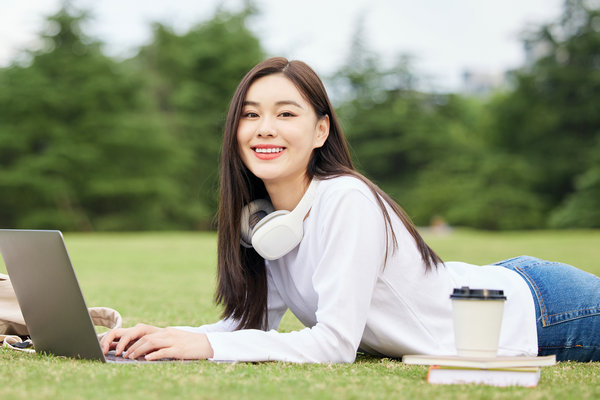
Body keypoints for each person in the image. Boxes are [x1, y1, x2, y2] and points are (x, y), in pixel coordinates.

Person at [101, 57, 600, 363]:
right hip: (496, 289)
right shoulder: (263, 218)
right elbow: (250, 328)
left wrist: (208, 348)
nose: (264, 128)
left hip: (541, 312)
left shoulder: (346, 199)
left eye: (286, 113)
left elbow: (333, 347)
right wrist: (166, 337)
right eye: (250, 114)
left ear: (320, 132)